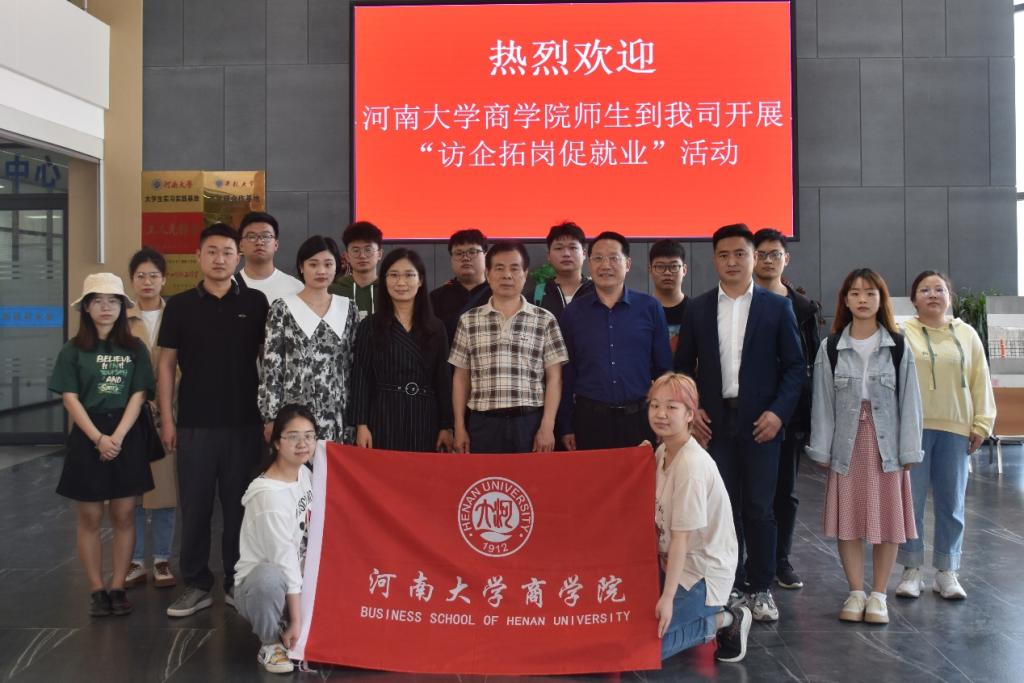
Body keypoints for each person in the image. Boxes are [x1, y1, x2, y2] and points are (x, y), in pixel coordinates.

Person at [673, 223, 804, 623]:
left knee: (760, 507)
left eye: (740, 254)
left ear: (754, 257)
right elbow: (683, 367)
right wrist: (693, 409)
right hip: (714, 423)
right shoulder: (698, 308)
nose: (732, 261)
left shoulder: (777, 306)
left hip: (762, 422)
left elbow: (795, 367)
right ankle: (727, 584)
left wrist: (778, 413)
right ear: (714, 260)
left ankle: (761, 586)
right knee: (722, 507)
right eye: (724, 255)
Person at [158, 223, 269, 617]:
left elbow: (268, 361)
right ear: (198, 257)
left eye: (226, 252)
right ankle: (196, 583)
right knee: (196, 507)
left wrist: (270, 417)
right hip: (194, 424)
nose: (219, 259)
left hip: (245, 423)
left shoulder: (256, 302)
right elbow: (166, 365)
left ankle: (236, 581)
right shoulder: (180, 305)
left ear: (238, 257)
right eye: (212, 251)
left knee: (240, 508)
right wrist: (167, 420)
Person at [806, 268, 923, 625]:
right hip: (847, 444)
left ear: (880, 299)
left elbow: (911, 402)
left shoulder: (898, 346)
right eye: (855, 293)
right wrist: (822, 448)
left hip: (887, 444)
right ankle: (856, 591)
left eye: (870, 293)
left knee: (888, 521)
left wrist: (909, 449)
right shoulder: (831, 347)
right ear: (845, 300)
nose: (862, 299)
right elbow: (822, 402)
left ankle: (879, 595)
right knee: (849, 521)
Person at [49, 273, 156, 617]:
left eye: (112, 301)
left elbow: (139, 394)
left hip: (126, 432)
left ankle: (118, 585)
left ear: (122, 307)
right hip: (87, 433)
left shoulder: (134, 348)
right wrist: (98, 438)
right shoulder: (73, 349)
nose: (105, 307)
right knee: (90, 516)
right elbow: (69, 397)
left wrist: (118, 437)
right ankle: (97, 589)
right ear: (86, 308)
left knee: (124, 515)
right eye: (97, 301)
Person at [896, 271, 996, 600]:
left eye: (939, 289)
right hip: (913, 429)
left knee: (952, 504)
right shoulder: (902, 332)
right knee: (910, 502)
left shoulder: (966, 334)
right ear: (914, 299)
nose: (932, 294)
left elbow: (980, 378)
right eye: (925, 290)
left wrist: (982, 423)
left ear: (949, 298)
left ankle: (946, 571)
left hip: (955, 429)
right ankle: (911, 570)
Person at [649, 372, 752, 664]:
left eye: (671, 407)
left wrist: (668, 599)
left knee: (648, 649)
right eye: (655, 405)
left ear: (690, 414)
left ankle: (726, 618)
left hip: (702, 572)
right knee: (630, 624)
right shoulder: (662, 451)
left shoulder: (691, 466)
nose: (660, 414)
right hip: (672, 563)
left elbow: (681, 539)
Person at [449, 242, 568, 454]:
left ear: (525, 274)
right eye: (499, 268)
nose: (507, 275)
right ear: (488, 274)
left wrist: (547, 426)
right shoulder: (469, 320)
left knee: (530, 476)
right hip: (483, 424)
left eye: (514, 268)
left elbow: (555, 378)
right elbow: (460, 377)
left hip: (529, 423)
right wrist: (459, 426)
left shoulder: (544, 319)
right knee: (485, 476)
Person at [752, 228, 821, 590]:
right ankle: (750, 560)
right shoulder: (739, 301)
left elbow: (809, 364)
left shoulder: (803, 308)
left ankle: (781, 559)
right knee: (748, 492)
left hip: (788, 413)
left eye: (774, 254)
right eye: (761, 254)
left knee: (784, 491)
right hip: (747, 410)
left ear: (786, 259)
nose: (767, 261)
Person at [559, 231, 672, 451]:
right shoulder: (573, 313)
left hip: (640, 418)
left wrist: (665, 418)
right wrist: (566, 426)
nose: (605, 265)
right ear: (589, 264)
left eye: (613, 258)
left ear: (627, 264)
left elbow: (664, 370)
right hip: (589, 421)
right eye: (598, 258)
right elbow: (567, 373)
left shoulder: (650, 308)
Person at [234, 404, 316, 675]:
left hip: (297, 574)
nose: (303, 444)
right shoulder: (268, 496)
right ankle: (271, 642)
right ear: (277, 443)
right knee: (268, 578)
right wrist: (297, 622)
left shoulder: (304, 473)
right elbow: (285, 562)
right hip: (262, 588)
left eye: (309, 436)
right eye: (293, 437)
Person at [353, 249, 454, 452]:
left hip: (425, 416)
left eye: (409, 275)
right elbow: (361, 377)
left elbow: (443, 379)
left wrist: (446, 425)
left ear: (420, 280)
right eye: (393, 275)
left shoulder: (436, 327)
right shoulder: (370, 325)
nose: (401, 282)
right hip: (383, 414)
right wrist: (361, 424)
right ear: (384, 280)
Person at [260, 235, 357, 444]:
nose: (321, 271)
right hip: (294, 414)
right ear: (301, 267)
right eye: (313, 264)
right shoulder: (282, 308)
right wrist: (271, 417)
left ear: (337, 267)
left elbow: (354, 365)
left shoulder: (349, 308)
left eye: (328, 264)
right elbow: (272, 368)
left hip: (339, 415)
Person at [124, 247, 178, 589]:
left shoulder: (177, 315)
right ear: (132, 281)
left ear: (164, 279)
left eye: (153, 275)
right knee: (129, 492)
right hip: (128, 416)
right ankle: (134, 559)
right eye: (141, 276)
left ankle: (161, 558)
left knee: (164, 490)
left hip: (168, 413)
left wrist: (165, 403)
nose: (147, 282)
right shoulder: (121, 318)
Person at [430, 229, 491, 343]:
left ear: (485, 256)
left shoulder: (498, 295)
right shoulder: (436, 298)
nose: (466, 258)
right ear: (451, 259)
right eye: (459, 253)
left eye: (472, 252)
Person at [237, 211, 304, 302]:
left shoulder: (296, 288)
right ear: (241, 245)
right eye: (251, 236)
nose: (259, 242)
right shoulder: (228, 286)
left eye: (266, 236)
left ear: (276, 244)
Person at [535, 221, 593, 319]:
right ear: (549, 255)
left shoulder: (598, 291)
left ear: (584, 254)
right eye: (559, 248)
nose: (566, 254)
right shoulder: (537, 295)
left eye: (573, 248)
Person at [329, 220, 383, 320]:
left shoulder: (388, 290)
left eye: (368, 250)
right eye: (356, 250)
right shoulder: (333, 291)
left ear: (379, 254)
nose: (362, 256)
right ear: (347, 256)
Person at [648, 239, 688, 353]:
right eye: (660, 267)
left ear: (684, 270)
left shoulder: (695, 310)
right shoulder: (641, 310)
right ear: (650, 270)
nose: (667, 272)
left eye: (674, 266)